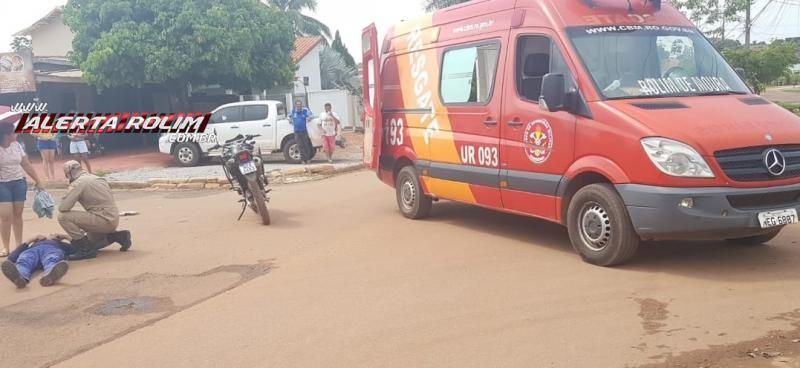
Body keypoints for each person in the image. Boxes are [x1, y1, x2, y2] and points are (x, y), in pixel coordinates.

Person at [58, 160, 132, 260]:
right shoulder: (96, 178)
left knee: (63, 217)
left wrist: (68, 192)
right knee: (92, 244)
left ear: (69, 173)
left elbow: (63, 207)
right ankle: (117, 236)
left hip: (101, 221)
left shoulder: (78, 183)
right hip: (113, 219)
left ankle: (85, 251)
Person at [0, 121, 43, 258]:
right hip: (2, 183)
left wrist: (38, 180)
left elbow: (26, 164)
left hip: (19, 181)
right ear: (6, 135)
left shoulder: (17, 146)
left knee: (18, 214)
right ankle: (6, 247)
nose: (16, 134)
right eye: (14, 131)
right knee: (6, 216)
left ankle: (19, 245)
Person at [1, 234, 73, 288]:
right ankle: (19, 277)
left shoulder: (60, 244)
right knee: (24, 261)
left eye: (52, 234)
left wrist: (65, 237)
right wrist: (30, 240)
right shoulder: (31, 245)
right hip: (32, 251)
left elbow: (77, 250)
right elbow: (12, 257)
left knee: (51, 259)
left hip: (51, 249)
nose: (47, 236)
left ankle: (50, 275)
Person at [289, 100, 314, 164]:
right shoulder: (293, 111)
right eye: (297, 105)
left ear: (301, 105)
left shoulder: (304, 111)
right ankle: (303, 160)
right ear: (295, 106)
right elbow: (288, 117)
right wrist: (290, 120)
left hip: (304, 131)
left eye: (300, 105)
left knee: (306, 145)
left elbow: (311, 115)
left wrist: (309, 118)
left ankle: (308, 159)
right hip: (297, 131)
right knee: (300, 146)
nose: (299, 106)